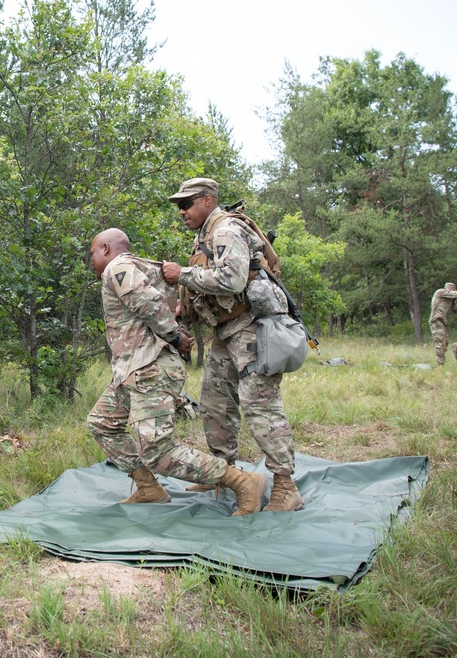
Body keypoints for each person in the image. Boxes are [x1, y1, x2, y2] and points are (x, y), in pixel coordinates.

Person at [87, 228, 269, 516]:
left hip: (150, 369)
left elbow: (149, 303)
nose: (93, 261)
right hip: (132, 370)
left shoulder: (118, 267)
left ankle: (243, 482)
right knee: (102, 423)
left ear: (107, 249)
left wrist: (175, 337)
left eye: (93, 253)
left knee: (158, 452)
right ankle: (149, 489)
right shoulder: (140, 267)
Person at [161, 178, 304, 513]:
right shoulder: (205, 235)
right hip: (225, 333)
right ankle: (224, 474)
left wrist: (181, 274)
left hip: (250, 331)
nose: (181, 212)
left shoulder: (225, 230)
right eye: (179, 206)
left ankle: (286, 486)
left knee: (261, 408)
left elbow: (232, 280)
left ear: (208, 200)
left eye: (187, 204)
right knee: (214, 404)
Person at [429, 282, 457, 366]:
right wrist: (455, 292)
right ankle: (440, 364)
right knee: (440, 342)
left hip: (444, 321)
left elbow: (456, 308)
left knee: (445, 343)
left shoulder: (450, 300)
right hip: (436, 320)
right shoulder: (440, 292)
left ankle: (442, 361)